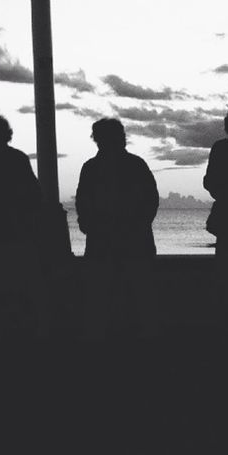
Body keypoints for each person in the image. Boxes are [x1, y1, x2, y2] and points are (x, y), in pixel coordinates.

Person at [75, 117, 159, 336]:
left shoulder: (92, 168)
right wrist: (139, 224)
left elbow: (82, 203)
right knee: (138, 297)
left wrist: (89, 225)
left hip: (105, 243)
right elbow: (151, 199)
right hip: (132, 242)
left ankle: (102, 342)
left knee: (101, 298)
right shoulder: (135, 165)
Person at [0, 114, 46, 336]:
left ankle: (1, 333)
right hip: (15, 234)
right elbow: (35, 195)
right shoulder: (17, 159)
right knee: (20, 290)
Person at [202, 105, 228, 324]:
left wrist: (224, 192)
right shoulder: (220, 149)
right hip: (227, 218)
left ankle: (226, 318)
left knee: (226, 272)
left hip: (227, 220)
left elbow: (210, 182)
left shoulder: (221, 149)